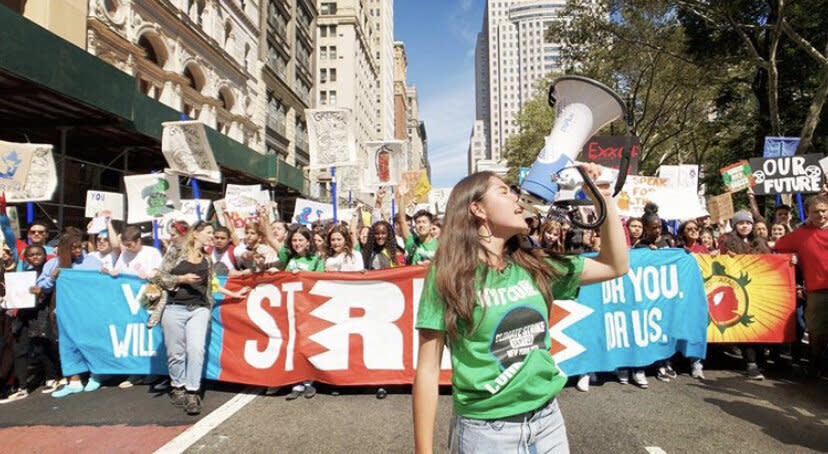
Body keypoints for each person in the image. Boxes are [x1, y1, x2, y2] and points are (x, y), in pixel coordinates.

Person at [413, 167, 628, 453]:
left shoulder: (533, 264)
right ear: (477, 208)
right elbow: (427, 370)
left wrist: (601, 199)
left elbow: (615, 265)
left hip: (549, 422)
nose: (517, 199)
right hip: (486, 434)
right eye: (504, 191)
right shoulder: (446, 275)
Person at [153, 221, 248, 415]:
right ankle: (177, 386)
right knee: (175, 351)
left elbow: (211, 284)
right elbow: (159, 277)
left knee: (196, 349)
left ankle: (192, 391)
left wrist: (233, 294)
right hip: (173, 307)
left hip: (199, 308)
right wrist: (181, 279)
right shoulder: (176, 252)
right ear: (195, 234)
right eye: (208, 232)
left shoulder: (207, 259)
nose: (212, 236)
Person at [41, 233, 103, 398]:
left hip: (88, 311)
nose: (77, 250)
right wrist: (51, 278)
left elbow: (102, 283)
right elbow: (41, 287)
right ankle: (74, 381)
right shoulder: (53, 264)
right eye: (73, 248)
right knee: (67, 346)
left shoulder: (92, 261)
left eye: (79, 246)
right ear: (64, 249)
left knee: (91, 343)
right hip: (64, 313)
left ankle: (96, 375)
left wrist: (105, 273)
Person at [774, 194, 828, 378]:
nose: (820, 214)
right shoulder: (800, 234)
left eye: (823, 211)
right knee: (816, 331)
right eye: (816, 212)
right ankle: (815, 362)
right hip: (817, 290)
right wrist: (791, 256)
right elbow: (778, 246)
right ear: (808, 213)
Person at [0, 245, 61, 403]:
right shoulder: (22, 275)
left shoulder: (48, 273)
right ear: (26, 258)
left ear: (44, 255)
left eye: (38, 254)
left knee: (43, 347)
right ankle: (22, 387)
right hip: (24, 315)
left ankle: (52, 377)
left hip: (41, 315)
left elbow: (50, 295)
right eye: (31, 255)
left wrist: (41, 291)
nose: (35, 257)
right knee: (20, 349)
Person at [718, 210, 771, 380]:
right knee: (746, 326)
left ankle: (760, 360)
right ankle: (751, 363)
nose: (745, 226)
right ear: (735, 226)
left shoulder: (760, 242)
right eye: (741, 223)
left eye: (748, 223)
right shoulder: (727, 242)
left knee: (759, 324)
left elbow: (770, 262)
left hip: (759, 289)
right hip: (738, 289)